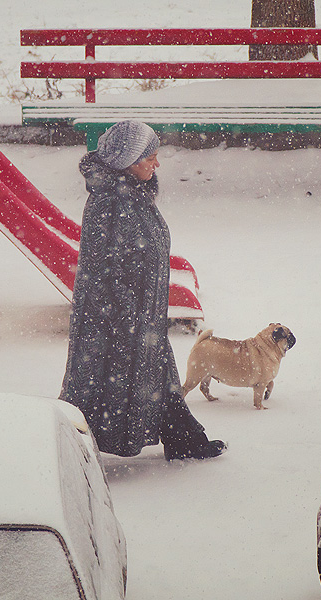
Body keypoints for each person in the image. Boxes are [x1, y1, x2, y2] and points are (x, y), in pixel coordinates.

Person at [60, 120, 226, 461]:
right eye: (149, 156)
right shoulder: (110, 202)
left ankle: (182, 437)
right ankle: (68, 450)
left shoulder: (131, 192)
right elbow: (103, 271)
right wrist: (128, 315)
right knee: (97, 383)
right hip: (114, 317)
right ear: (127, 160)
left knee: (157, 369)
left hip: (141, 310)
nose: (156, 163)